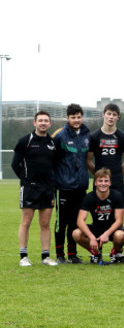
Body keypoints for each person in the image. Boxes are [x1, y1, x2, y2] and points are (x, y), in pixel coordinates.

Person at [13, 111, 59, 267]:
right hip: (29, 188)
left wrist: (52, 182)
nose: (43, 123)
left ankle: (45, 256)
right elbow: (15, 164)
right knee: (26, 221)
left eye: (46, 121)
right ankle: (23, 256)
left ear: (50, 124)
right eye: (40, 120)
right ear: (35, 123)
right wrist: (26, 181)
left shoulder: (53, 143)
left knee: (45, 223)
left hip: (47, 189)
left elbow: (55, 165)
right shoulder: (25, 141)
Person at [52, 103, 91, 264]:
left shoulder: (87, 135)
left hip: (81, 187)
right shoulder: (60, 135)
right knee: (61, 222)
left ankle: (72, 254)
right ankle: (60, 255)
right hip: (63, 187)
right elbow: (52, 161)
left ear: (82, 117)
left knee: (76, 222)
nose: (76, 120)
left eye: (79, 117)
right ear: (67, 118)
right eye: (73, 117)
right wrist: (53, 186)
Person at [72, 168, 124, 264]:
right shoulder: (89, 197)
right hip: (96, 228)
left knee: (121, 236)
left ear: (110, 183)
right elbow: (80, 220)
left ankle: (114, 254)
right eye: (100, 181)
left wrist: (106, 234)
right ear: (95, 183)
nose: (103, 183)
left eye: (106, 181)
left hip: (112, 230)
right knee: (76, 233)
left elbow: (119, 221)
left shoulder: (117, 196)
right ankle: (96, 253)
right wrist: (91, 237)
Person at [87, 103, 124, 198]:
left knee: (118, 212)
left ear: (118, 117)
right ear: (103, 115)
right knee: (98, 211)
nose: (111, 117)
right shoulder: (93, 137)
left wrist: (117, 174)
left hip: (117, 182)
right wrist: (98, 175)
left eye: (114, 115)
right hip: (99, 182)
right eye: (109, 113)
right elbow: (88, 160)